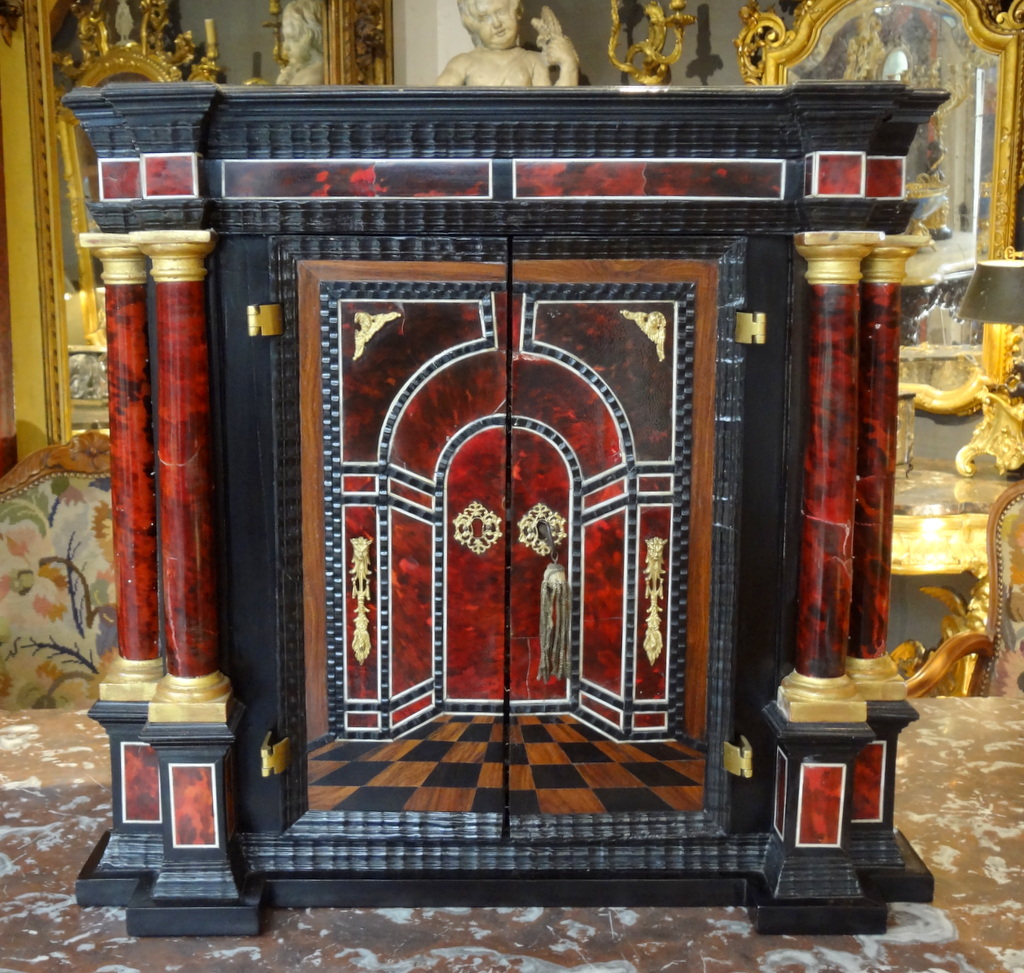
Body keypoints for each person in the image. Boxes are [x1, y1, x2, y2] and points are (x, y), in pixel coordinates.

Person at [437, 0, 579, 87]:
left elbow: (551, 113)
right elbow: (435, 102)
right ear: (473, 25)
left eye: (501, 12)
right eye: (485, 17)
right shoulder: (462, 63)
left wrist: (568, 65)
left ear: (515, 11)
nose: (497, 23)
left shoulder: (534, 60)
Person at [276, 0, 325, 86]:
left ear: (314, 39)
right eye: (286, 38)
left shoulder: (312, 78)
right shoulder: (299, 72)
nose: (286, 46)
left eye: (293, 39)